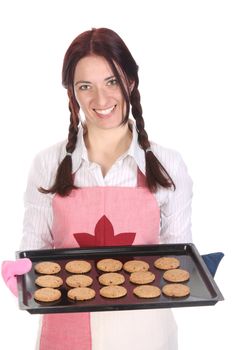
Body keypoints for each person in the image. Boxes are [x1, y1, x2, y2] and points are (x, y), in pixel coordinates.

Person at [2, 27, 193, 350]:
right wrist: (21, 274)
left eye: (112, 81)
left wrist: (193, 267)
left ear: (130, 82)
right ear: (72, 93)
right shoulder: (47, 164)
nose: (101, 99)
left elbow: (176, 258)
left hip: (144, 333)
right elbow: (35, 249)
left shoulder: (167, 165)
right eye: (85, 86)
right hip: (67, 331)